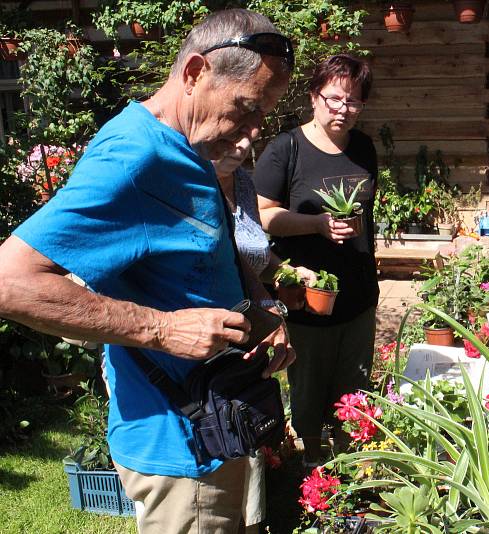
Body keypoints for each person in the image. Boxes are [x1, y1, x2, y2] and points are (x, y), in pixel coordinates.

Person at [0, 9, 296, 532]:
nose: (252, 132)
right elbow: (9, 280)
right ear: (194, 73)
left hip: (220, 422)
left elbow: (207, 251)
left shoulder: (194, 149)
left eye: (262, 115)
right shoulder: (134, 158)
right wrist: (161, 328)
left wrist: (263, 312)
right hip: (178, 450)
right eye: (246, 108)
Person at [252, 54, 378, 467]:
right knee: (308, 386)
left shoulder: (363, 148)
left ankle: (348, 461)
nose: (344, 109)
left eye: (354, 102)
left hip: (359, 292)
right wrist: (317, 225)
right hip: (308, 294)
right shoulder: (285, 149)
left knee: (354, 387)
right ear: (314, 97)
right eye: (335, 98)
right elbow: (263, 216)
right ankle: (311, 460)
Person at [212, 136, 315, 533]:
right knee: (216, 450)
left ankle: (253, 525)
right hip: (207, 342)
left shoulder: (242, 184)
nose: (241, 144)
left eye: (248, 135)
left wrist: (289, 271)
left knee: (249, 443)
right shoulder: (187, 182)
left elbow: (256, 254)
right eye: (232, 133)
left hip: (251, 331)